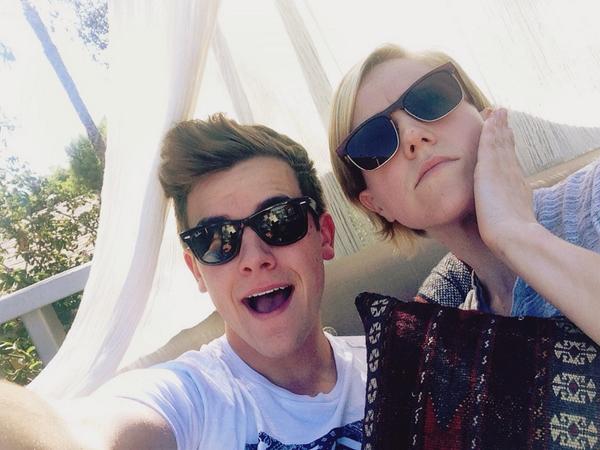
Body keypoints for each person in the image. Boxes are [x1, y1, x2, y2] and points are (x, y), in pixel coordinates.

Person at [0, 114, 366, 449]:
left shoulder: (387, 359)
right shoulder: (189, 399)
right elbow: (85, 434)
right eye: (216, 239)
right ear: (196, 270)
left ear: (324, 235)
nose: (254, 258)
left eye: (279, 220)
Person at [328, 43, 600, 344]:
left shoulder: (592, 196)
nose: (413, 136)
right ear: (376, 205)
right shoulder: (454, 345)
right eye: (373, 141)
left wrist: (518, 234)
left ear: (485, 116)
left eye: (431, 99)